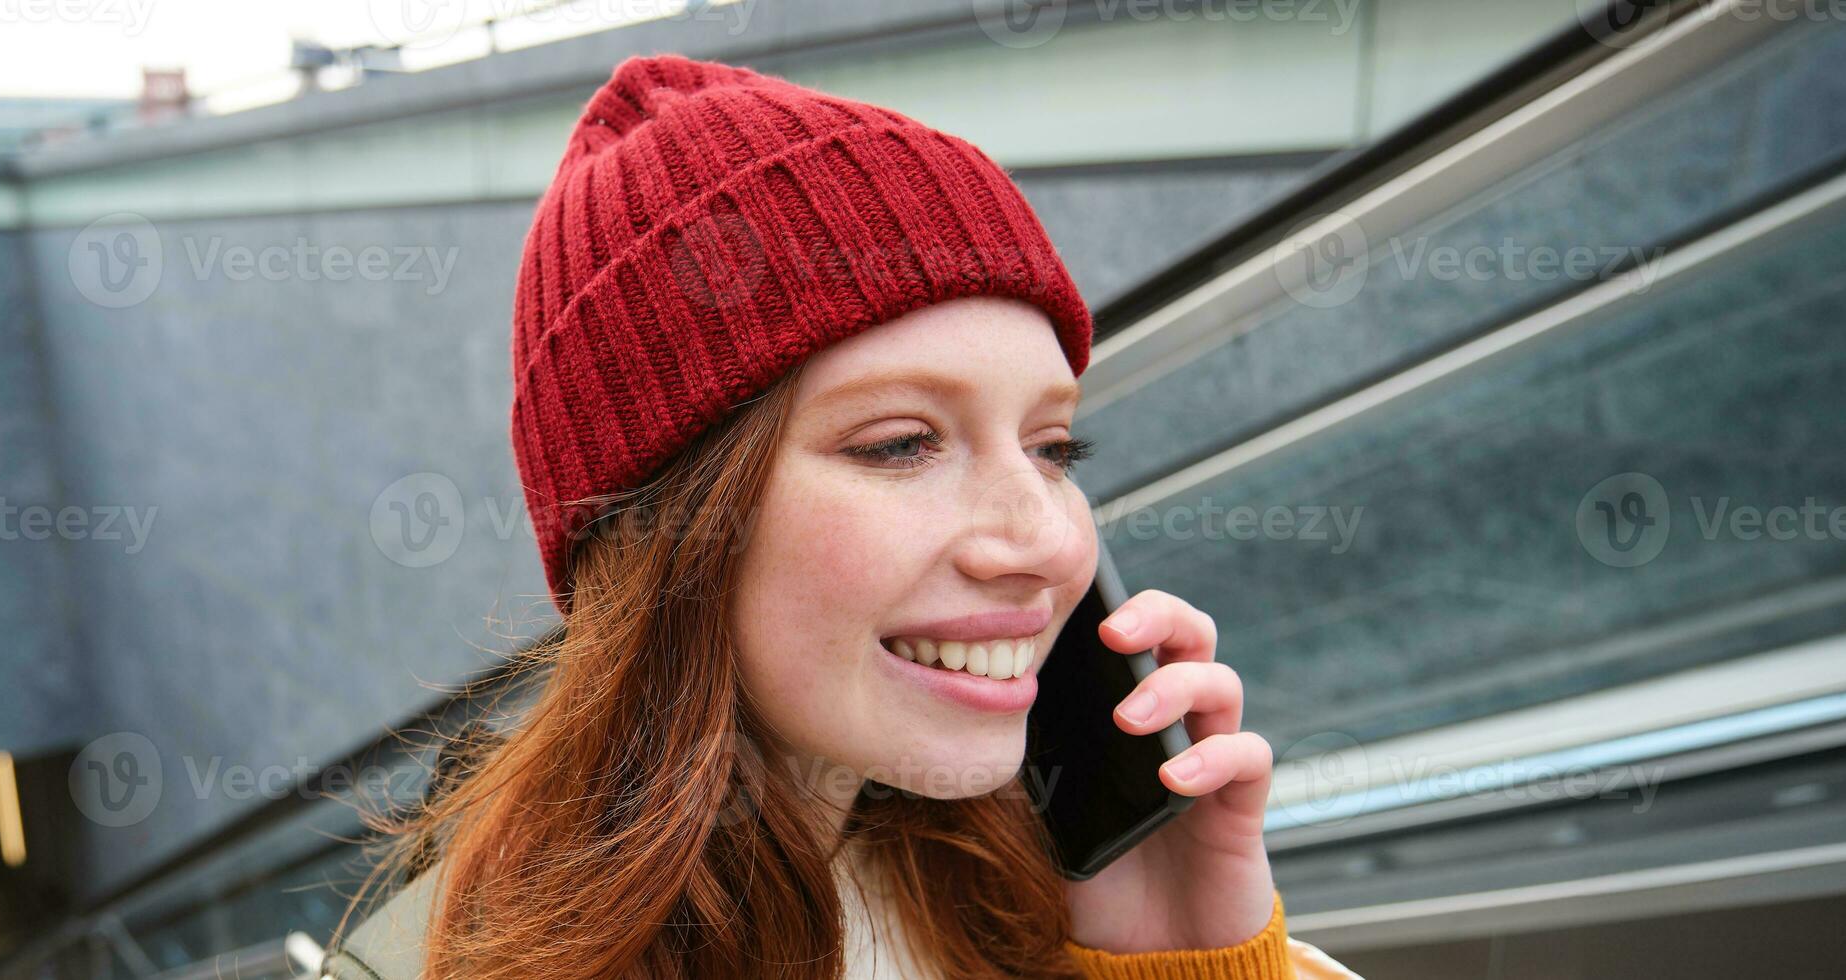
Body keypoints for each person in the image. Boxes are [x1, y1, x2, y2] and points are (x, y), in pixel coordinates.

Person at [323, 54, 1362, 980]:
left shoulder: (1061, 905)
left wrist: (1181, 960)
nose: (1046, 541)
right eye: (899, 444)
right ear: (665, 533)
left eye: (1053, 449)